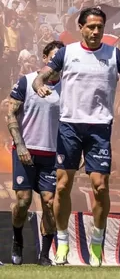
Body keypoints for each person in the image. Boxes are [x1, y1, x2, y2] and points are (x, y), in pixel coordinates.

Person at [32, 7, 120, 267]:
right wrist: (39, 84)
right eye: (91, 27)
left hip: (99, 128)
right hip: (70, 126)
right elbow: (42, 75)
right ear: (81, 28)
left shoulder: (114, 54)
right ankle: (62, 243)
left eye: (100, 27)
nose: (96, 32)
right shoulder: (67, 53)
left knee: (101, 187)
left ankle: (97, 243)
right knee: (62, 187)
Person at [5, 41, 65, 266]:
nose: (57, 63)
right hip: (25, 151)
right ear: (44, 57)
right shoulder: (26, 81)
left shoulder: (67, 87)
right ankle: (17, 240)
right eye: (53, 58)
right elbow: (11, 115)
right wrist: (20, 146)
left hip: (51, 155)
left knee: (49, 203)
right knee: (23, 202)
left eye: (61, 60)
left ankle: (44, 255)